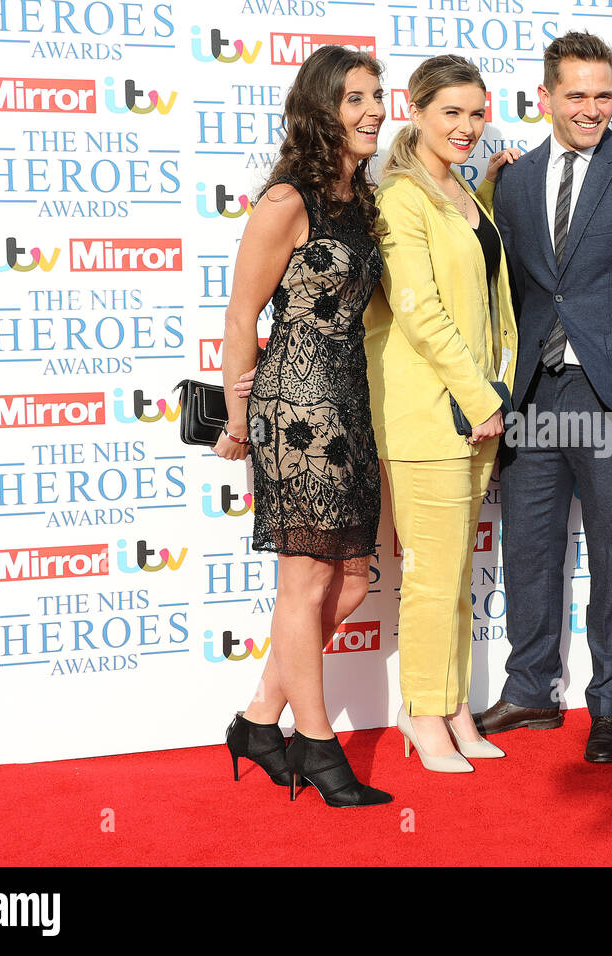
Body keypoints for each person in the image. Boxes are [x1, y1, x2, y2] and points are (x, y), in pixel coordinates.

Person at [474, 31, 612, 763]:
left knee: (611, 560)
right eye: (576, 95)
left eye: (603, 95)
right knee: (527, 552)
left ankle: (607, 707)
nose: (591, 108)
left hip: (611, 401)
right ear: (545, 98)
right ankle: (531, 690)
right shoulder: (512, 180)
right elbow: (499, 288)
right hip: (532, 397)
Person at [217, 46, 391, 807]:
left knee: (353, 576)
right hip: (295, 403)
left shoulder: (363, 199)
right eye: (354, 99)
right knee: (307, 579)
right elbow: (239, 315)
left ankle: (260, 718)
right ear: (321, 111)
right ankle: (318, 746)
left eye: (377, 97)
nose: (374, 111)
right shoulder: (288, 200)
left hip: (349, 397)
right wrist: (240, 419)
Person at [363, 55, 518, 772]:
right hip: (432, 415)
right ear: (416, 110)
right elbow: (420, 313)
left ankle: (451, 703)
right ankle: (419, 712)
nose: (465, 126)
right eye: (450, 112)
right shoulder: (400, 197)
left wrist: (493, 395)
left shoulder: (462, 193)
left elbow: (482, 294)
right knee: (430, 575)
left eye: (476, 113)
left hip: (476, 412)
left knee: (456, 573)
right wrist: (484, 398)